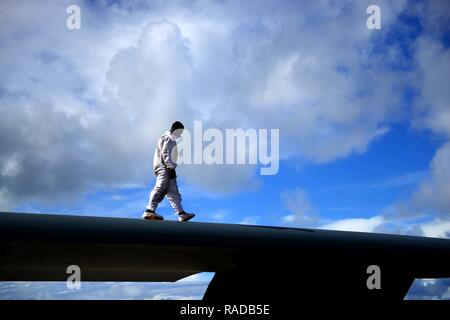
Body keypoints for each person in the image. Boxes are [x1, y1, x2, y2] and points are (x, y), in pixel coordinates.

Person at [143, 121, 195, 222]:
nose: (180, 134)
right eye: (180, 132)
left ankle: (181, 213)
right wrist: (170, 167)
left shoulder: (170, 139)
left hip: (168, 168)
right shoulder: (168, 137)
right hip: (164, 168)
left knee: (173, 192)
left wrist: (171, 168)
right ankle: (149, 210)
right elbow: (166, 152)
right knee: (160, 186)